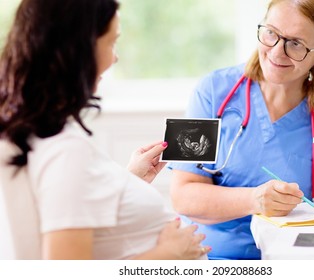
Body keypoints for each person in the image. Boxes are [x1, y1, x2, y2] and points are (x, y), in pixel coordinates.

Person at [168, 0, 314, 260]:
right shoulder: (211, 91)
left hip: (292, 261)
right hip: (208, 257)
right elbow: (182, 195)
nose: (276, 52)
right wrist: (254, 200)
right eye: (271, 33)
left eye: (296, 43)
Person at [0, 0, 211, 260]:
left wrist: (128, 181)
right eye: (111, 43)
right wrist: (169, 253)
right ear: (79, 49)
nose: (115, 57)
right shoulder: (65, 149)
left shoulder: (37, 131)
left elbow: (75, 202)